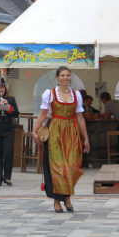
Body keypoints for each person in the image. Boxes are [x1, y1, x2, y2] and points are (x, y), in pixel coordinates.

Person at [32, 66, 90, 213]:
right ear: (57, 77)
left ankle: (67, 196)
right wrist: (34, 131)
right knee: (57, 167)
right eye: (62, 75)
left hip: (72, 132)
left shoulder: (76, 95)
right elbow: (43, 114)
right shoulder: (50, 94)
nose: (65, 78)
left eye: (67, 75)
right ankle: (57, 200)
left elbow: (80, 117)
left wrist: (86, 139)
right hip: (55, 131)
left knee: (71, 167)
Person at [0, 79, 19, 186]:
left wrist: (8, 106)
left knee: (8, 152)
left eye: (2, 87)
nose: (0, 89)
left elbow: (16, 113)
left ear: (5, 88)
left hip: (8, 130)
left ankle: (7, 177)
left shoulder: (11, 99)